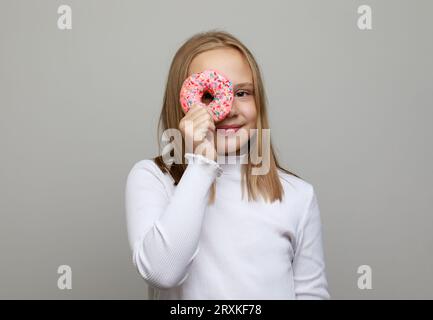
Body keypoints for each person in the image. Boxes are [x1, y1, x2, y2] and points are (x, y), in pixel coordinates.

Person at [125, 30, 330, 300]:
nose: (229, 109)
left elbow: (311, 294)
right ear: (182, 102)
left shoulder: (296, 194)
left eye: (243, 93)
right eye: (210, 97)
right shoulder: (154, 178)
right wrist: (202, 164)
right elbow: (163, 273)